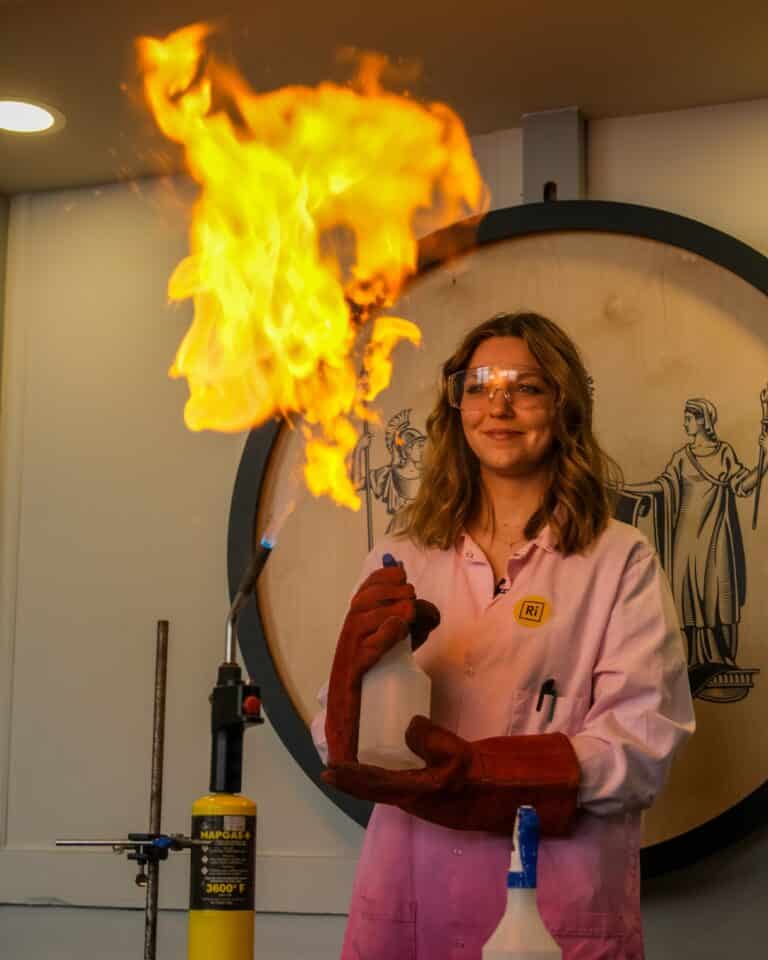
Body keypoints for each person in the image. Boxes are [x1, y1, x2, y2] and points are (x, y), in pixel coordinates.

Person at [311, 312, 695, 960]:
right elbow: (335, 739)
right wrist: (350, 700)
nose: (500, 405)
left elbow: (645, 744)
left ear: (564, 404)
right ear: (456, 404)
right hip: (411, 896)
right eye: (481, 384)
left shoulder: (618, 558)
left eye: (527, 386)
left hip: (555, 906)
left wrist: (490, 776)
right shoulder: (403, 554)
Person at [620, 398, 767, 699]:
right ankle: (694, 660)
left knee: (715, 591)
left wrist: (765, 462)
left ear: (703, 421)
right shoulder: (682, 457)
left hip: (715, 537)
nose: (685, 422)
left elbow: (743, 485)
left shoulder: (723, 453)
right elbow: (662, 486)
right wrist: (627, 488)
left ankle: (721, 660)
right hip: (685, 541)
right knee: (688, 593)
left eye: (689, 417)